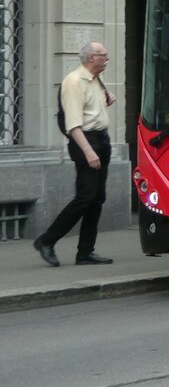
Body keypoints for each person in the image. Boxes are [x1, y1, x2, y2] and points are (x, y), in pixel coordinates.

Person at [32, 42, 116, 268]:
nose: (106, 60)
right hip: (86, 142)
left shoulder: (95, 78)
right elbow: (73, 125)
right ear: (91, 58)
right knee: (85, 197)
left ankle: (86, 252)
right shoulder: (74, 81)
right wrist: (89, 152)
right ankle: (46, 241)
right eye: (103, 56)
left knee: (97, 198)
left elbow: (91, 111)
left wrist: (106, 101)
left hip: (101, 139)